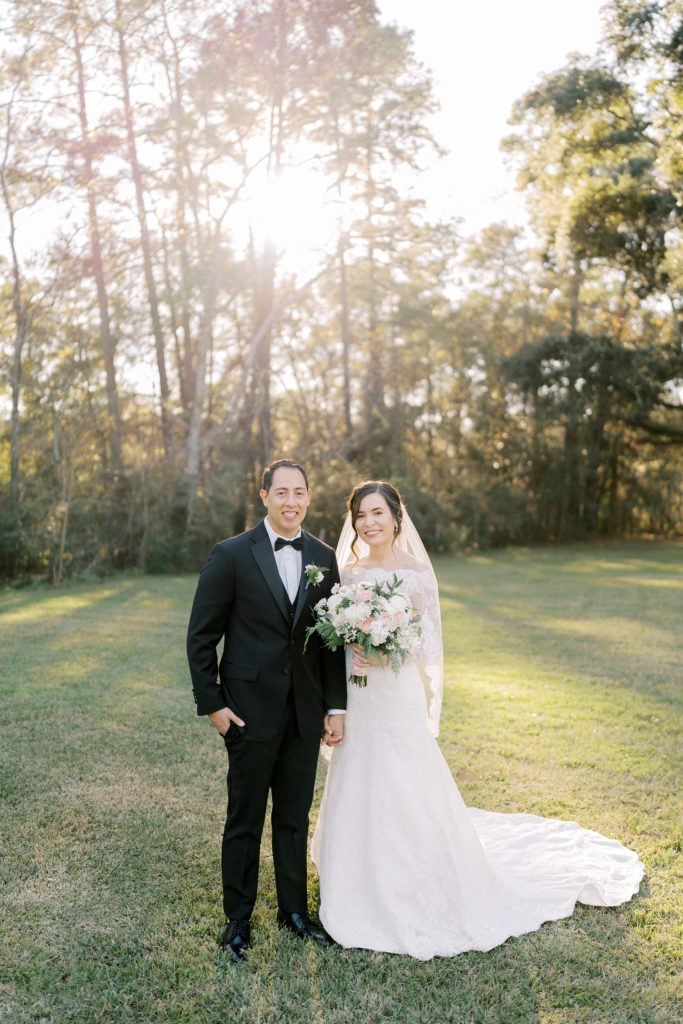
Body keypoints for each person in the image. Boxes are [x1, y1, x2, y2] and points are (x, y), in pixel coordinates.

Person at [311, 480, 644, 960]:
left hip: (397, 690)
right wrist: (354, 647)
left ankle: (417, 872)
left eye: (378, 512)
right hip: (360, 694)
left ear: (396, 519)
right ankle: (355, 871)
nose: (369, 522)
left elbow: (429, 642)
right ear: (353, 522)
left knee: (405, 774)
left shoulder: (417, 573)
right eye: (361, 514)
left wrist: (388, 651)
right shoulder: (347, 573)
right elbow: (333, 635)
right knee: (359, 767)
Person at [187, 459, 347, 962]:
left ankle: (294, 912)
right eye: (281, 492)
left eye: (300, 491)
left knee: (294, 818)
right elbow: (201, 636)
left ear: (308, 496)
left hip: (304, 714)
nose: (291, 501)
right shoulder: (232, 554)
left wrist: (335, 706)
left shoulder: (323, 555)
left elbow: (333, 642)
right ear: (263, 496)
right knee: (245, 818)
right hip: (248, 713)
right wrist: (212, 704)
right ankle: (238, 921)